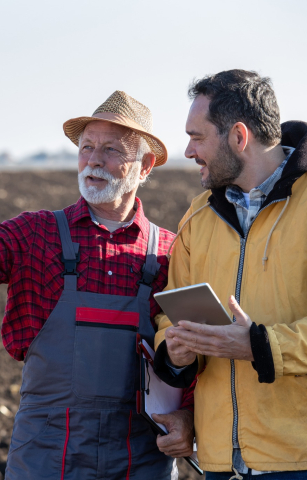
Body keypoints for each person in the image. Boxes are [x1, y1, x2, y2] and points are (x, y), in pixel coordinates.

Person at [0, 91, 195, 479]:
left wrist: (187, 416)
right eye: (87, 147)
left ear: (144, 166)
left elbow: (196, 348)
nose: (94, 158)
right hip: (48, 452)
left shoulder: (170, 253)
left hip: (140, 456)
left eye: (111, 149)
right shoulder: (36, 233)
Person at [153, 70, 307, 479]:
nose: (187, 151)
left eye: (197, 137)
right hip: (219, 464)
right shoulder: (197, 216)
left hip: (297, 462)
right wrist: (175, 349)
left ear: (239, 137)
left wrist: (259, 345)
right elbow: (170, 312)